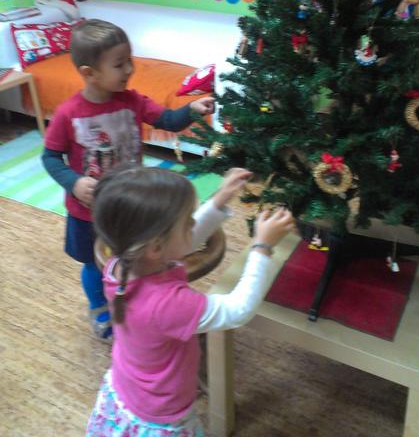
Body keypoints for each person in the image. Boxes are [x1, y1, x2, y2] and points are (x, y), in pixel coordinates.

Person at [86, 164, 294, 437]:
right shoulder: (168, 304)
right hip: (161, 414)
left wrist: (219, 201)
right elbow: (237, 310)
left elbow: (179, 242)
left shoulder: (122, 261)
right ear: (155, 247)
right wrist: (262, 248)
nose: (193, 224)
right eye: (187, 222)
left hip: (126, 388)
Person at [41, 19, 214, 341]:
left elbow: (168, 120)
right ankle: (100, 307)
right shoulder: (68, 113)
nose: (130, 69)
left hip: (132, 207)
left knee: (135, 257)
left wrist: (191, 109)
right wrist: (73, 182)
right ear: (89, 73)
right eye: (119, 64)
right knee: (93, 264)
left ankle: (138, 300)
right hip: (87, 212)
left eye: (129, 60)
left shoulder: (133, 101)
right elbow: (50, 157)